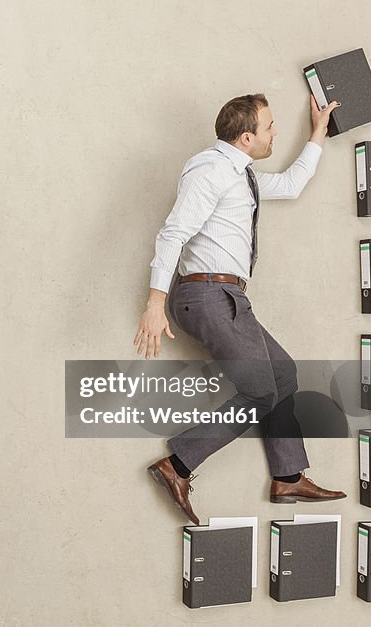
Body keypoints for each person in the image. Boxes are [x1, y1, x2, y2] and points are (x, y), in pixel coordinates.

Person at [135, 93, 346, 525]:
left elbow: (288, 184)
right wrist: (155, 302)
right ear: (247, 136)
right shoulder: (210, 170)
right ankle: (177, 465)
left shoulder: (241, 176)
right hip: (206, 294)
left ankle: (288, 476)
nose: (274, 134)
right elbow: (172, 233)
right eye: (269, 127)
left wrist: (318, 134)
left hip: (229, 297)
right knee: (260, 390)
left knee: (282, 374)